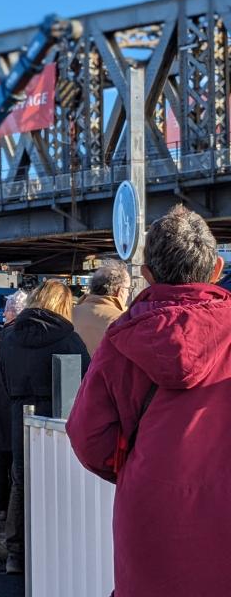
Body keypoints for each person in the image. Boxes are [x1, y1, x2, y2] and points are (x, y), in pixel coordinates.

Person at [66, 205, 230, 597]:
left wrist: (138, 467)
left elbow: (90, 439)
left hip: (151, 509)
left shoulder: (121, 339)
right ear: (217, 270)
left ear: (148, 275)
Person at [0, 280, 90, 574]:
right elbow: (83, 382)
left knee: (21, 483)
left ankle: (16, 553)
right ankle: (54, 547)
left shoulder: (8, 337)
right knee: (58, 484)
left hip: (18, 414)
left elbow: (0, 379)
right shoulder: (68, 339)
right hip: (57, 418)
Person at [0, 290, 28, 522]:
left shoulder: (4, 337)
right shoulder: (30, 334)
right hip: (22, 406)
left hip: (1, 404)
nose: (3, 313)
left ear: (14, 312)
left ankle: (0, 507)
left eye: (7, 309)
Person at [72, 260, 130, 356]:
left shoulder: (69, 314)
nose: (128, 294)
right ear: (120, 290)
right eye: (129, 289)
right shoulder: (121, 321)